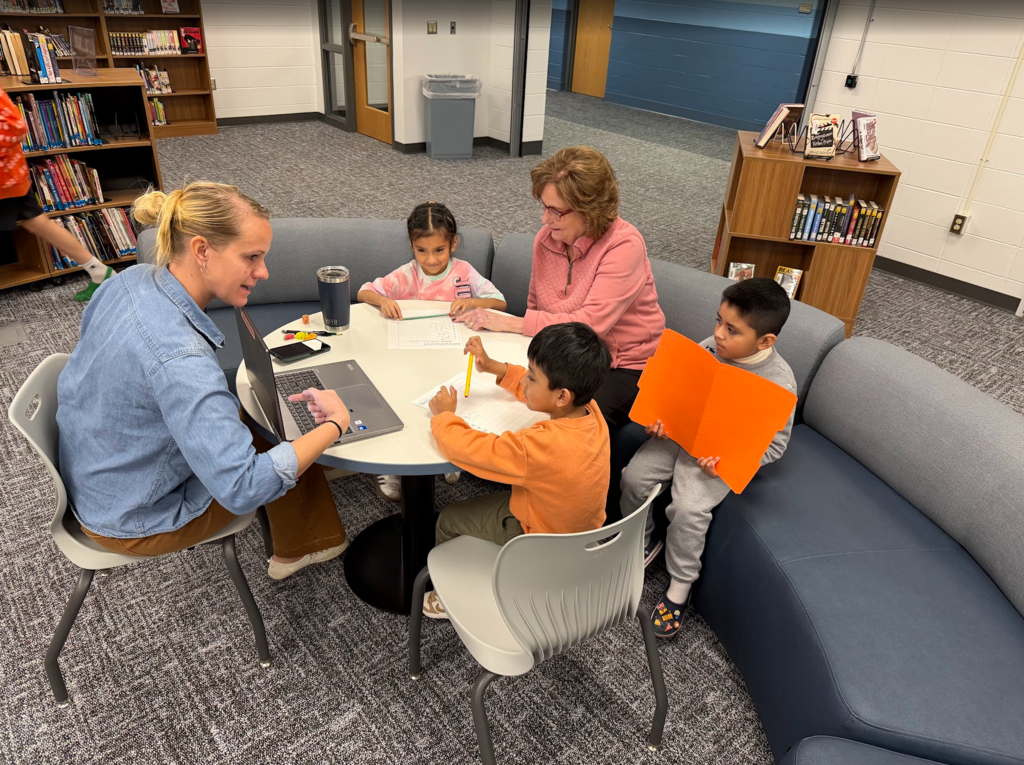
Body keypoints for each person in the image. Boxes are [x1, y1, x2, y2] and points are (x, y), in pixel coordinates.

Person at [57, 181, 350, 580]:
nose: (263, 272)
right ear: (201, 251)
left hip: (99, 474)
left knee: (260, 414)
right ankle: (311, 538)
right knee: (273, 431)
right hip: (133, 519)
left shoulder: (130, 279)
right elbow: (244, 487)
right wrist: (335, 425)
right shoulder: (180, 359)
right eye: (252, 257)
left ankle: (311, 536)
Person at [619, 278, 797, 639]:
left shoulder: (780, 382)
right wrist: (660, 422)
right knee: (633, 478)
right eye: (718, 321)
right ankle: (643, 541)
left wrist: (728, 458)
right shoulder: (707, 349)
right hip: (678, 437)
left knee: (688, 510)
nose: (718, 333)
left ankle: (680, 587)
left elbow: (775, 446)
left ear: (765, 341)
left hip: (714, 460)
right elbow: (674, 395)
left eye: (732, 330)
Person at [451, 146, 665, 437]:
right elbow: (536, 304)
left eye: (556, 211)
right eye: (543, 206)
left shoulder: (625, 245)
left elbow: (590, 326)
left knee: (570, 424)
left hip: (623, 364)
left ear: (591, 210)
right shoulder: (546, 240)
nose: (544, 220)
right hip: (568, 354)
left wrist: (512, 323)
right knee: (518, 396)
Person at [421, 323, 612, 619]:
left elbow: (470, 450)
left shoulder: (535, 447)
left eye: (531, 377)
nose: (523, 380)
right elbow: (540, 395)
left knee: (447, 518)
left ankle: (446, 597)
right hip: (579, 540)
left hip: (538, 545)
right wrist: (496, 368)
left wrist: (445, 416)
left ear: (562, 396)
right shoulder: (591, 411)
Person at [357, 201, 507, 501]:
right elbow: (364, 291)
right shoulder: (408, 274)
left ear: (453, 243)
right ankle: (395, 464)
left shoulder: (464, 273)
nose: (431, 259)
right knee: (401, 398)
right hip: (410, 353)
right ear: (412, 246)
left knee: (456, 396)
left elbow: (500, 302)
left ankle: (452, 448)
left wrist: (475, 302)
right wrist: (382, 301)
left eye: (439, 250)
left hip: (451, 351)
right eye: (421, 251)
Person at [1, 86, 113, 302]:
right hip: (8, 178)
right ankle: (100, 272)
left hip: (6, 179)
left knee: (39, 224)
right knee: (37, 224)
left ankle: (100, 273)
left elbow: (15, 126)